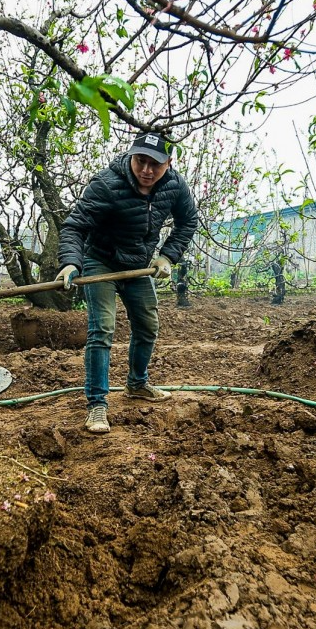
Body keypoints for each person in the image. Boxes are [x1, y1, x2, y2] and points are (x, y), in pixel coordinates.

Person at [55, 131, 199, 434]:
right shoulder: (106, 184)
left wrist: (167, 257)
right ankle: (97, 404)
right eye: (141, 161)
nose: (146, 170)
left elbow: (188, 221)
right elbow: (75, 227)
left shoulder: (175, 185)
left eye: (155, 165)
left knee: (148, 324)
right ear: (131, 156)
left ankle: (137, 383)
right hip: (101, 262)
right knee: (102, 328)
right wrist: (71, 262)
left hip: (137, 265)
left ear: (169, 164)